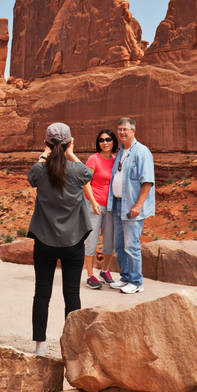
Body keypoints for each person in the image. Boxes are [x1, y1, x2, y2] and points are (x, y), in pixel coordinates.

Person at [27, 122, 93, 356]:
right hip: (73, 242)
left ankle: (40, 346)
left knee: (42, 293)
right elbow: (89, 174)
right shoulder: (78, 171)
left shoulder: (39, 170)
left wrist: (45, 154)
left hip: (44, 241)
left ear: (46, 143)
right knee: (72, 294)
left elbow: (32, 176)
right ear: (69, 143)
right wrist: (71, 153)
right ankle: (73, 346)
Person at [107, 117, 155, 294]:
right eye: (119, 129)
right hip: (118, 204)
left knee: (131, 245)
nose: (122, 132)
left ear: (133, 131)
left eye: (125, 129)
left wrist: (138, 205)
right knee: (119, 245)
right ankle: (126, 277)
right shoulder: (120, 153)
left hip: (132, 207)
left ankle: (136, 282)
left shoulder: (141, 152)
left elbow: (147, 181)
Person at [82, 129, 119, 289]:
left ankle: (104, 271)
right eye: (101, 140)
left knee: (110, 241)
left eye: (108, 139)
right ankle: (90, 275)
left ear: (113, 142)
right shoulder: (93, 159)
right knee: (91, 240)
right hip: (93, 205)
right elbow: (85, 182)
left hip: (111, 206)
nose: (105, 142)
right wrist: (93, 201)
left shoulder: (116, 160)